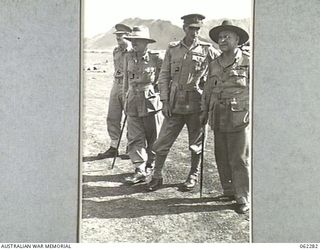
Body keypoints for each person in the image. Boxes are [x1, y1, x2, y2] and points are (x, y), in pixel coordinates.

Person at [147, 14, 220, 191]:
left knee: (195, 145)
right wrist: (164, 100)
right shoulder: (173, 49)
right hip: (174, 104)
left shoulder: (207, 49)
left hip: (196, 105)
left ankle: (193, 175)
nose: (194, 32)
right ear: (184, 28)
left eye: (197, 29)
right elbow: (164, 75)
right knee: (162, 142)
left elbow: (221, 65)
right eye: (191, 28)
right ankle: (157, 176)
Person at [200, 20, 250, 214]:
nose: (222, 40)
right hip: (218, 116)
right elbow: (207, 91)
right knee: (221, 156)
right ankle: (228, 190)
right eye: (220, 37)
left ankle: (243, 196)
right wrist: (204, 111)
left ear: (237, 39)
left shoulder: (248, 61)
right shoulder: (214, 64)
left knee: (239, 159)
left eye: (227, 36)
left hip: (240, 118)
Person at [122, 26, 163, 184]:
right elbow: (126, 81)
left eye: (137, 41)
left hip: (150, 102)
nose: (134, 43)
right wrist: (126, 98)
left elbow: (164, 78)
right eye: (132, 40)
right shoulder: (128, 57)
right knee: (134, 136)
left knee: (154, 136)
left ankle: (151, 165)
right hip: (132, 100)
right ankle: (139, 169)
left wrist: (157, 94)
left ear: (146, 42)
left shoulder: (156, 58)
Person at [97, 23, 132, 159]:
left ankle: (131, 147)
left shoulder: (133, 52)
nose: (118, 37)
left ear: (128, 35)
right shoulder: (116, 51)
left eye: (121, 34)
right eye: (117, 34)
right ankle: (114, 146)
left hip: (129, 85)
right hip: (116, 85)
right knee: (112, 116)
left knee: (131, 118)